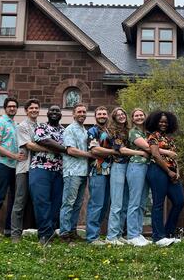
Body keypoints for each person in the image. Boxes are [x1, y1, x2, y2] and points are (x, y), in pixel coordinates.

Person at [105, 107, 148, 246]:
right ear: (114, 117)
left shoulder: (128, 130)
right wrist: (141, 153)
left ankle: (119, 234)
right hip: (118, 166)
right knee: (117, 203)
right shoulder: (113, 131)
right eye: (118, 115)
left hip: (129, 166)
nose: (121, 116)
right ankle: (111, 236)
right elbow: (122, 150)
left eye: (123, 113)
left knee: (125, 203)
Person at [0, 97, 26, 240]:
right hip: (2, 164)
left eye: (14, 106)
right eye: (10, 106)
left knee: (14, 199)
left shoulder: (16, 125)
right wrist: (14, 156)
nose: (12, 108)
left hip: (15, 167)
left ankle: (9, 230)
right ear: (5, 108)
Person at [145, 110, 184, 247]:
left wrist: (177, 172)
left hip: (171, 174)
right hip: (157, 171)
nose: (163, 124)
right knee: (158, 204)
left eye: (166, 122)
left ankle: (168, 233)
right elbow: (155, 155)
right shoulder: (152, 136)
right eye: (161, 121)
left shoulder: (169, 139)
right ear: (155, 122)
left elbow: (174, 158)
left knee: (179, 201)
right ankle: (158, 237)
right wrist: (168, 171)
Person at [29, 105, 66, 244]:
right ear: (47, 113)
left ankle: (50, 232)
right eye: (52, 110)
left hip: (59, 170)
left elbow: (53, 144)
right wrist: (63, 149)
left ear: (61, 114)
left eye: (57, 110)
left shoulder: (64, 130)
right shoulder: (41, 127)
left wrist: (54, 147)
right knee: (41, 201)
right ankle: (44, 235)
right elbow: (43, 140)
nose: (55, 112)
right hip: (40, 168)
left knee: (56, 203)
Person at [59, 103, 93, 244]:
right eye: (79, 111)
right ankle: (64, 233)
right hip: (72, 171)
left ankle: (72, 231)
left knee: (78, 204)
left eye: (84, 112)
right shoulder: (70, 129)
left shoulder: (84, 131)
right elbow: (70, 150)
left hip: (83, 172)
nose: (82, 114)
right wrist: (89, 155)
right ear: (73, 114)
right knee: (68, 203)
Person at [11, 98, 43, 243]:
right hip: (24, 169)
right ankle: (15, 236)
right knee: (20, 201)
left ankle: (40, 234)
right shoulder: (22, 126)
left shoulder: (41, 126)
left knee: (38, 201)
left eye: (36, 108)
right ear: (26, 111)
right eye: (31, 108)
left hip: (38, 169)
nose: (34, 110)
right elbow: (29, 145)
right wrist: (48, 148)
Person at [86, 106, 115, 245]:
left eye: (104, 113)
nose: (102, 115)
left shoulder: (110, 131)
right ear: (95, 116)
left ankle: (98, 235)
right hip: (97, 171)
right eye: (99, 114)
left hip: (111, 171)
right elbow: (94, 150)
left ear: (107, 116)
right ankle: (92, 237)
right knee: (96, 204)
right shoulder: (92, 131)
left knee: (105, 205)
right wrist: (114, 152)